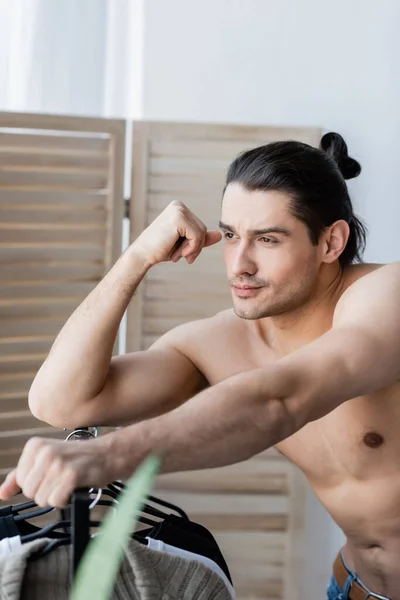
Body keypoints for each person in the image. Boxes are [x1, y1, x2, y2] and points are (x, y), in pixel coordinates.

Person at [1, 131, 399, 599]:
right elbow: (60, 402)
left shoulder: (385, 298)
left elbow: (282, 399)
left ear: (331, 242)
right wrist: (137, 257)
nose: (239, 265)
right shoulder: (220, 341)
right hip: (354, 587)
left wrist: (104, 457)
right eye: (230, 235)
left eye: (267, 239)